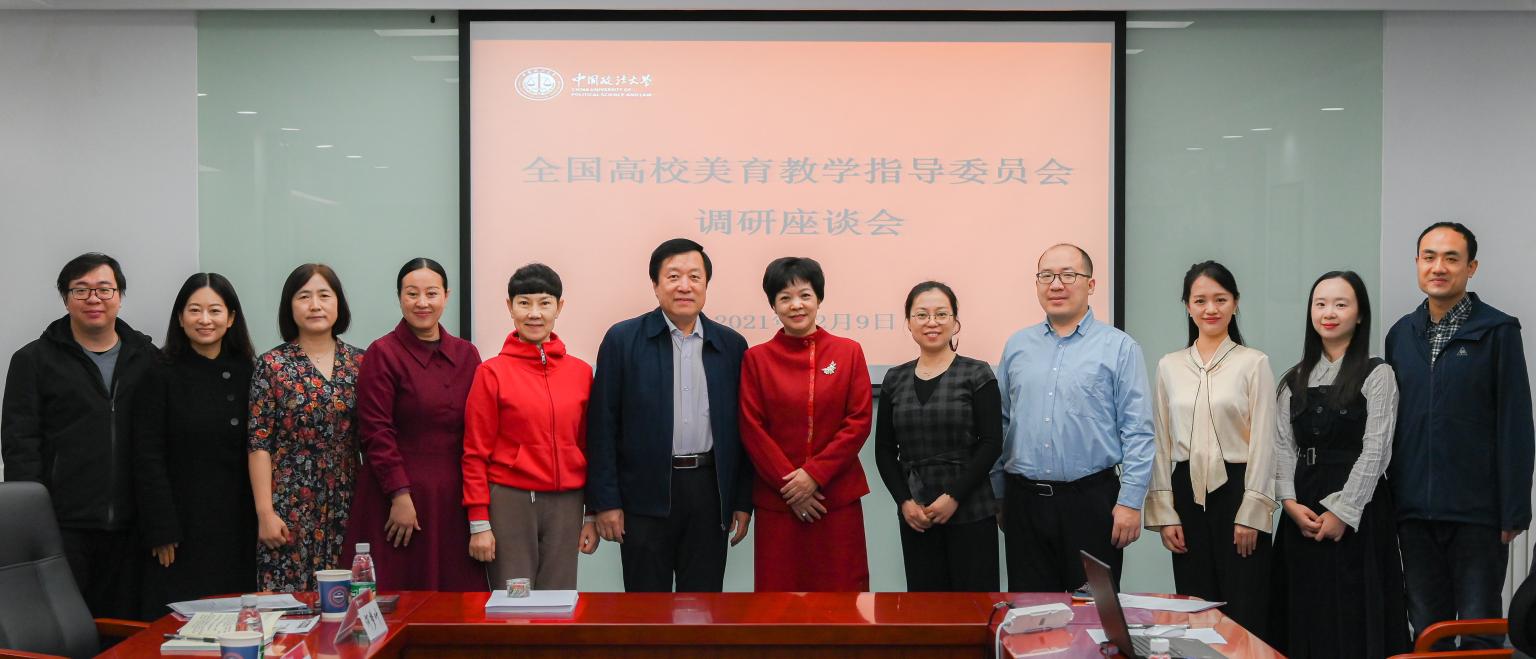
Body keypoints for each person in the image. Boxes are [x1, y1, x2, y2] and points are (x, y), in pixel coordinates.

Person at [1387, 222, 1533, 650]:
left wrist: (1514, 510)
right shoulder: (1401, 334)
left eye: (1451, 258)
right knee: (1426, 631)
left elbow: (1516, 424)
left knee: (1478, 630)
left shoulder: (1498, 331)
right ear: (1417, 263)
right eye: (1429, 257)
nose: (1439, 267)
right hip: (1414, 514)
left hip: (1478, 516)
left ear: (1471, 267)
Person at [586, 238, 754, 592]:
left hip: (709, 492)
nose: (684, 286)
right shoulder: (622, 340)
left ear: (706, 284)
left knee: (703, 604)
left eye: (695, 277)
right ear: (655, 284)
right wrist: (605, 502)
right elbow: (602, 427)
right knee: (646, 607)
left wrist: (741, 501)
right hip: (643, 494)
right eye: (673, 276)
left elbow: (743, 432)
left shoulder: (731, 346)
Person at [992, 243, 1154, 591]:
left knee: (1092, 612)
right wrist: (999, 494)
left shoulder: (1119, 347)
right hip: (1024, 503)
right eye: (1046, 276)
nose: (1056, 285)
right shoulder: (1017, 346)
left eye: (1068, 275)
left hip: (1091, 502)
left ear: (1091, 285)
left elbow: (1138, 431)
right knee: (1032, 612)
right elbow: (1001, 422)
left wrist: (1130, 502)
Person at [2, 252, 155, 620]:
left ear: (119, 296)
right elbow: (20, 446)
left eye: (104, 289)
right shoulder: (33, 360)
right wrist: (35, 522)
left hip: (133, 527)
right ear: (65, 297)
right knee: (61, 628)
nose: (93, 299)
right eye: (81, 290)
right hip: (62, 528)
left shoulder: (147, 358)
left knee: (124, 628)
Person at [1272, 270, 1409, 657]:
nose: (1328, 312)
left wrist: (1343, 512)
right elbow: (1282, 447)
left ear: (1360, 314)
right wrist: (1288, 503)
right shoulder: (1293, 379)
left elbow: (1377, 451)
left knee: (1353, 613)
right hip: (1302, 509)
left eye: (1340, 304)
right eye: (1320, 304)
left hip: (1359, 512)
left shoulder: (1377, 373)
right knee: (1304, 611)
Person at [1144, 261, 1276, 634]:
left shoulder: (1254, 363)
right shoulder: (1169, 366)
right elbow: (1159, 440)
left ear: (1235, 302)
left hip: (1238, 490)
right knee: (1196, 609)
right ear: (1187, 306)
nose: (1211, 309)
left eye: (1221, 299)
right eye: (1200, 300)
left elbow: (1265, 441)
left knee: (1246, 608)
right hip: (1186, 493)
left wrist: (1253, 511)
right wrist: (1165, 512)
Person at [341, 258, 484, 592]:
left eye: (431, 293)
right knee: (399, 595)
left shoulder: (467, 354)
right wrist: (399, 494)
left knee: (456, 598)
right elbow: (376, 431)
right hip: (398, 497)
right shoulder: (382, 353)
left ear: (446, 296)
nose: (422, 303)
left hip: (454, 497)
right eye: (412, 293)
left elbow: (478, 429)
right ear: (399, 297)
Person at [739, 257, 874, 592]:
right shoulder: (756, 359)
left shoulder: (848, 352)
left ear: (819, 298)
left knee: (843, 597)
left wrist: (814, 475)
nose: (796, 305)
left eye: (804, 295)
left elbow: (858, 421)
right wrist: (792, 487)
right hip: (779, 504)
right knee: (778, 600)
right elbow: (752, 427)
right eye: (785, 298)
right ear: (773, 305)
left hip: (835, 500)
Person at [463, 263, 598, 590]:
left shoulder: (581, 373)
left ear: (559, 307)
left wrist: (591, 514)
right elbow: (474, 452)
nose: (534, 313)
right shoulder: (491, 372)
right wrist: (479, 522)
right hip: (510, 501)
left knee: (559, 599)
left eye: (544, 303)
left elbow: (589, 446)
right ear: (510, 307)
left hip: (567, 503)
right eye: (524, 303)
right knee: (514, 601)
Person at [133, 273, 257, 616]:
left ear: (231, 318)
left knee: (238, 616)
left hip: (239, 522)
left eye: (215, 310)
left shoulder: (249, 370)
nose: (205, 320)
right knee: (183, 619)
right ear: (180, 317)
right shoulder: (158, 372)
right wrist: (161, 528)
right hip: (182, 525)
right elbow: (146, 455)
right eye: (194, 310)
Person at [874, 281, 1002, 592]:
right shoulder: (894, 378)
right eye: (922, 314)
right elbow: (885, 450)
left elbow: (991, 444)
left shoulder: (977, 373)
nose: (932, 322)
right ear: (909, 323)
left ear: (955, 322)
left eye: (941, 314)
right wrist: (904, 502)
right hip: (917, 514)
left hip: (971, 508)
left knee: (975, 608)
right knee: (926, 609)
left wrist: (953, 496)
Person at [247, 263, 365, 593]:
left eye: (324, 295)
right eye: (304, 296)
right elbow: (259, 444)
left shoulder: (361, 363)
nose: (315, 305)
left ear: (338, 303)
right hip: (289, 506)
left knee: (347, 600)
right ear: (290, 305)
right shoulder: (271, 366)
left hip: (348, 501)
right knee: (289, 604)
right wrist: (265, 513)